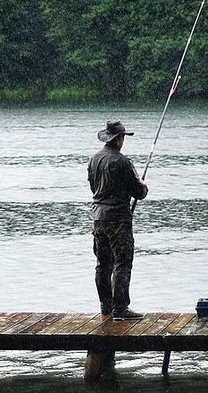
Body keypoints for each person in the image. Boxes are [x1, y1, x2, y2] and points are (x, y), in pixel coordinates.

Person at [88, 120, 148, 319]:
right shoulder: (122, 162)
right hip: (118, 220)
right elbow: (138, 192)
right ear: (119, 139)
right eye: (123, 137)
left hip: (98, 218)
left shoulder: (93, 159)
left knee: (103, 263)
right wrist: (143, 185)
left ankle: (106, 306)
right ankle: (120, 308)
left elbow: (93, 188)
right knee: (122, 262)